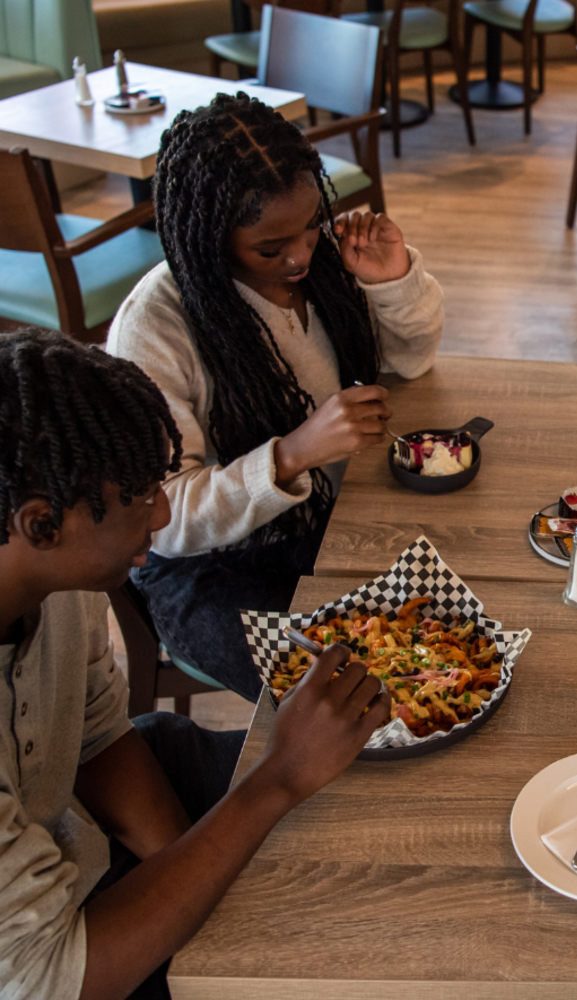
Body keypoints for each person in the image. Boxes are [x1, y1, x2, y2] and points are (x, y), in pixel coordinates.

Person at [0, 328, 390, 1000]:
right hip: (51, 965)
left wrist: (204, 880)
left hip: (70, 840)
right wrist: (276, 781)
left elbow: (96, 736)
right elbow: (48, 979)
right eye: (142, 495)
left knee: (363, 792)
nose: (161, 512)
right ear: (42, 525)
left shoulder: (59, 585)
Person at [107, 93, 444, 702]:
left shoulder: (322, 266)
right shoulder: (155, 326)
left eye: (312, 225)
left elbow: (411, 362)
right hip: (213, 569)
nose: (300, 257)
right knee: (359, 701)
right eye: (270, 249)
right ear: (208, 236)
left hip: (332, 520)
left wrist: (393, 282)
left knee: (444, 647)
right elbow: (162, 520)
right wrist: (291, 455)